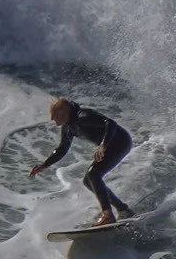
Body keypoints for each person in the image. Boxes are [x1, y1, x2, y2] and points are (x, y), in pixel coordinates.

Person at [29, 97, 134, 226]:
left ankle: (107, 214)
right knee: (88, 181)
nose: (53, 120)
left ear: (65, 112)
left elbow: (110, 123)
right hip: (111, 145)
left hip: (121, 141)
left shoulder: (84, 116)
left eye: (55, 116)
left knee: (93, 175)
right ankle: (123, 209)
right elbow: (62, 149)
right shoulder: (68, 127)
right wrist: (45, 164)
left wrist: (102, 145)